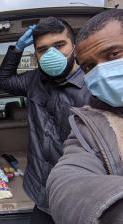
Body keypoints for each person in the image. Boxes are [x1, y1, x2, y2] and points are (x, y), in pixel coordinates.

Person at [0, 17, 90, 223]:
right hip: (41, 190)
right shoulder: (33, 80)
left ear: (74, 46)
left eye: (59, 45)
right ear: (36, 53)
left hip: (81, 192)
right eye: (42, 49)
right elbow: (3, 81)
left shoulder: (92, 84)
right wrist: (17, 49)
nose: (51, 54)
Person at [46, 9, 123, 224]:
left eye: (113, 55)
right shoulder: (90, 125)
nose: (102, 72)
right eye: (89, 66)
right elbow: (68, 179)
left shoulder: (81, 87)